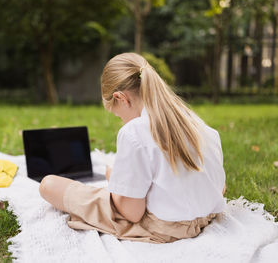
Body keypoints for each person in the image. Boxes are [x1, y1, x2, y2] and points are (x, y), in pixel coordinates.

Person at [39, 52, 226, 243]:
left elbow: (133, 213)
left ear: (121, 98)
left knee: (49, 185)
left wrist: (115, 181)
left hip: (167, 227)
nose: (122, 121)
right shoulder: (197, 123)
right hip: (207, 216)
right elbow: (220, 187)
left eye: (118, 115)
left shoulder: (133, 132)